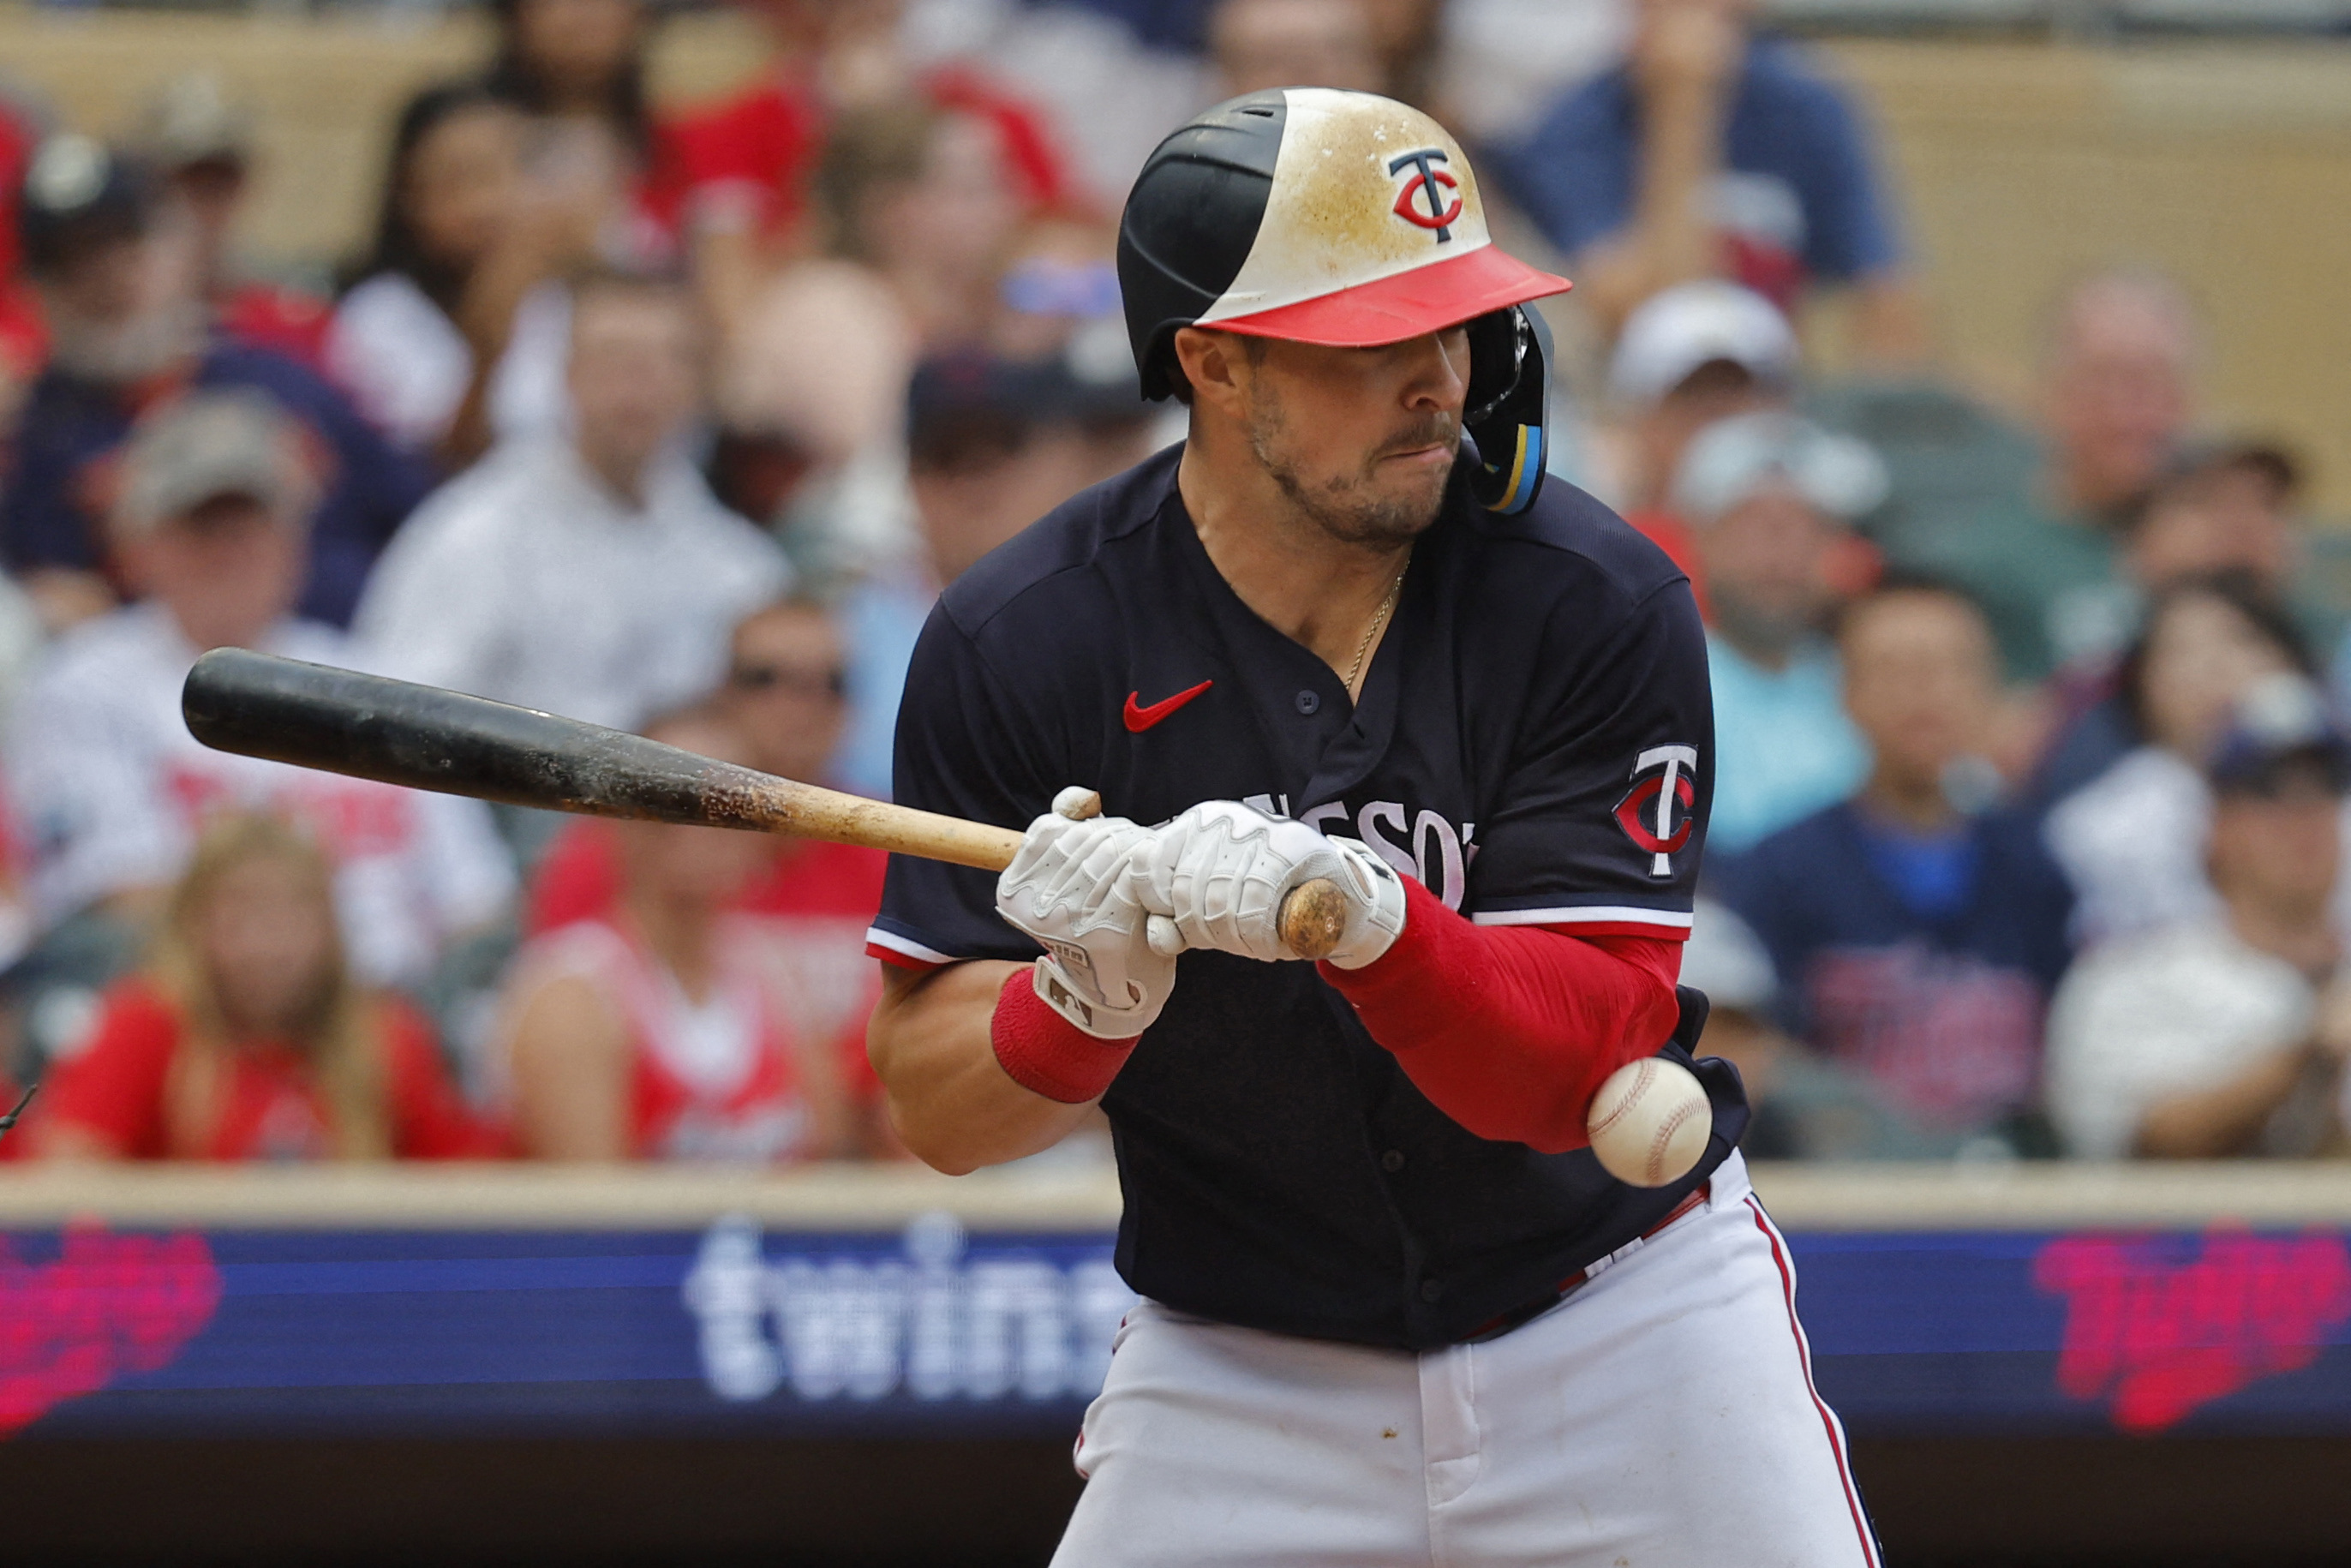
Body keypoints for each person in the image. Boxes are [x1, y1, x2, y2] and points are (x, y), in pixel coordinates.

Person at [865, 89, 1878, 1564]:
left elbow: (1577, 1055)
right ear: (1212, 363)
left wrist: (1364, 917)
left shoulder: (1588, 597)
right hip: (1239, 1366)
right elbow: (935, 1111)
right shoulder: (1025, 638)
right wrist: (1078, 1004)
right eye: (1370, 342)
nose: (1435, 379)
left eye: (1453, 325)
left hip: (1616, 1317)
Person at [6, 390, 515, 989]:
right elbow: (120, 903)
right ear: (139, 546)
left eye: (250, 524)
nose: (229, 550)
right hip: (201, 1014)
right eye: (200, 526)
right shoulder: (85, 684)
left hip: (403, 1015)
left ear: (295, 539)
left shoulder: (376, 680)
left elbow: (477, 906)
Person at [3, 134, 432, 631]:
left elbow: (422, 519)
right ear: (36, 290)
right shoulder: (39, 441)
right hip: (165, 693)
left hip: (362, 657)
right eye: (68, 260)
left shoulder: (279, 378)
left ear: (177, 245)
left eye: (123, 241)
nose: (103, 274)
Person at [1716, 581, 2073, 1152]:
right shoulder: (1779, 869)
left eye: (1951, 667)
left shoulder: (2037, 862)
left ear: (1990, 689)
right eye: (1895, 668)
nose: (1925, 693)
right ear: (1844, 692)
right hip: (1844, 1201)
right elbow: (1748, 1053)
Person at [354, 269, 790, 733]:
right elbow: (402, 715)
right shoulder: (475, 534)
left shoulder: (738, 566)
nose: (641, 383)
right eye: (615, 356)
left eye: (671, 359)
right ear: (568, 374)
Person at [526, 595, 888, 1058]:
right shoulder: (620, 846)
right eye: (767, 678)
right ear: (722, 692)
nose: (804, 704)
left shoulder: (888, 846)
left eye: (833, 684)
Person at [494, 705, 858, 1162]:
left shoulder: (776, 973)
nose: (700, 827)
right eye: (674, 803)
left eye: (726, 806)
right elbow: (591, 1211)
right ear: (622, 820)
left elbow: (830, 1160)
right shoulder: (575, 996)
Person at [32, 813, 492, 1162]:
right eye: (240, 916)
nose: (267, 944)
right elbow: (72, 1181)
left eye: (291, 916)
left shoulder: (386, 1035)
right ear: (193, 926)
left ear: (331, 928)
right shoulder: (142, 1024)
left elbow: (463, 1192)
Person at [1497, 0, 1922, 359]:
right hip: (1629, 405)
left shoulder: (1805, 108)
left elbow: (1888, 298)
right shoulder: (1575, 131)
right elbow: (1646, 325)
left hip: (1772, 396)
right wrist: (1683, 107)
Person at [833, 343, 1159, 799]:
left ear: (1059, 460)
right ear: (909, 474)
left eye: (1001, 450)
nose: (974, 486)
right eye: (946, 456)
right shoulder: (843, 631)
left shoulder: (1134, 609)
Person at [2045, 687, 2351, 1159]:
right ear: (2214, 823)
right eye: (2269, 790)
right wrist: (2309, 1054)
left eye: (2327, 786)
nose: (2303, 815)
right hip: (2193, 1234)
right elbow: (2151, 1142)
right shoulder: (2130, 978)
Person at [1910, 269, 2199, 683]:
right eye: (2102, 381)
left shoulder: (2235, 548)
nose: (2127, 412)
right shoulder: (1981, 566)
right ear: (2050, 396)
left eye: (2152, 382)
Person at [2042, 577, 2319, 949]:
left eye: (2241, 639)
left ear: (2293, 663)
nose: (2213, 666)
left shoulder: (2339, 801)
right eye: (2180, 650)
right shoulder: (2093, 829)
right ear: (2141, 687)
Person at [326, 85, 592, 465]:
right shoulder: (379, 315)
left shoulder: (577, 297)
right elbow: (435, 477)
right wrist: (486, 356)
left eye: (512, 172)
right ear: (408, 198)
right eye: (461, 179)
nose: (490, 204)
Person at [1675, 409, 1883, 853]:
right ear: (1704, 540)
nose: (1782, 556)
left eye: (1806, 529)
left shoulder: (1867, 684)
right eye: (1759, 528)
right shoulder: (1662, 690)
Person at [1594, 278, 1797, 584]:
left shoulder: (1828, 559)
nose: (1719, 429)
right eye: (1691, 398)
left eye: (1739, 396)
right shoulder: (1602, 555)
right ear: (1640, 419)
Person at [130, 73, 333, 368]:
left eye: (221, 181)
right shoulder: (104, 319)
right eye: (184, 181)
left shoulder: (294, 314)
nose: (200, 204)